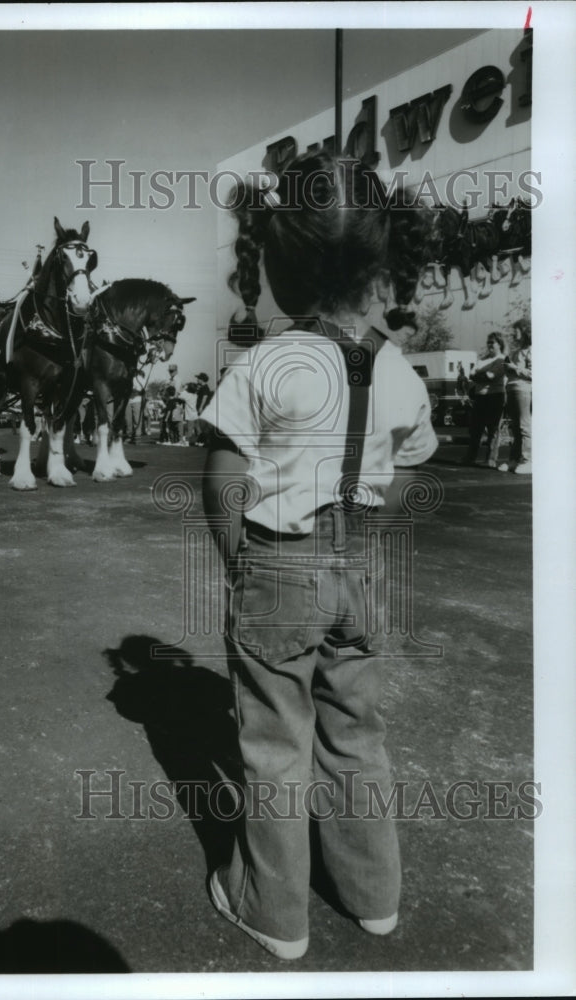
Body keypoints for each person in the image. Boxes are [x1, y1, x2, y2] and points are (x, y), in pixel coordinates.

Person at [200, 151, 438, 960]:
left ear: (278, 261)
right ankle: (373, 898)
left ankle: (273, 913)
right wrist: (362, 531)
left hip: (278, 563)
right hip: (359, 569)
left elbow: (223, 476)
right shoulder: (400, 369)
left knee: (273, 748)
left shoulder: (266, 361)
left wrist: (243, 560)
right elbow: (407, 468)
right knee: (355, 734)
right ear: (378, 262)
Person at [462, 332, 507, 468]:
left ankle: (491, 460)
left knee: (493, 429)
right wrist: (482, 376)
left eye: (492, 342)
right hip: (480, 396)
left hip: (495, 396)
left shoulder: (503, 359)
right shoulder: (482, 359)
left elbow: (491, 376)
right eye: (488, 342)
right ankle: (470, 458)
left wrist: (479, 376)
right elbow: (471, 374)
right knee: (475, 429)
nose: (489, 345)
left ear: (499, 344)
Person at [499, 327, 531, 474]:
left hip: (523, 389)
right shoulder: (516, 351)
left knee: (524, 426)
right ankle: (514, 459)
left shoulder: (531, 351)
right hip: (511, 389)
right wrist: (507, 368)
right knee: (515, 427)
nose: (513, 333)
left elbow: (533, 374)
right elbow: (510, 371)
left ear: (525, 332)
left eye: (516, 330)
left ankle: (528, 460)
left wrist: (515, 368)